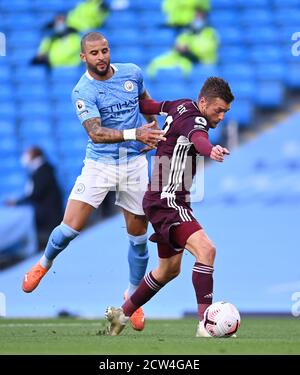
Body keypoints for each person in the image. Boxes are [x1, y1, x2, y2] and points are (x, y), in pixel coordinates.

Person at [22, 32, 165, 332]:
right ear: (83, 57)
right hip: (99, 164)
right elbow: (96, 133)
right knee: (69, 228)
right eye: (94, 53)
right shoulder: (82, 91)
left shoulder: (132, 73)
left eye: (105, 51)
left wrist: (159, 124)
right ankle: (43, 265)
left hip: (134, 163)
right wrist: (136, 134)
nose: (101, 57)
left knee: (138, 238)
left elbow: (146, 104)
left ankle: (133, 296)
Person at [105, 77, 234, 337]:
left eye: (225, 112)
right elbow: (199, 140)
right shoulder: (196, 119)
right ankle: (205, 325)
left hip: (161, 199)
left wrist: (126, 91)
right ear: (203, 102)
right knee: (207, 250)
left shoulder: (179, 105)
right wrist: (212, 151)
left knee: (168, 270)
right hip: (168, 199)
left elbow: (150, 105)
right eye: (217, 110)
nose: (220, 117)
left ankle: (122, 314)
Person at [6, 147, 64, 250]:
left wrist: (17, 202)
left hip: (49, 216)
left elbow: (36, 194)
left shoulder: (43, 171)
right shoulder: (43, 170)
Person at [147, 10, 218, 77]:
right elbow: (180, 43)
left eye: (200, 18)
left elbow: (208, 49)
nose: (197, 20)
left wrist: (190, 49)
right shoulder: (187, 32)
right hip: (187, 60)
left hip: (204, 64)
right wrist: (181, 47)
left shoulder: (210, 32)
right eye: (196, 17)